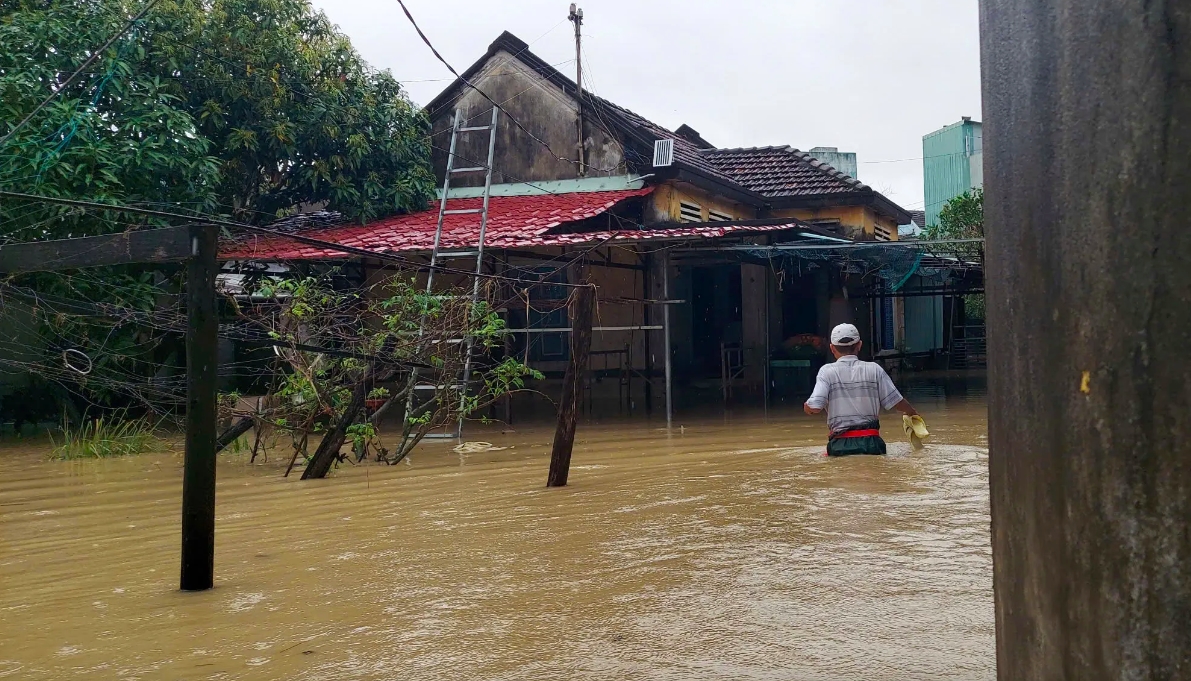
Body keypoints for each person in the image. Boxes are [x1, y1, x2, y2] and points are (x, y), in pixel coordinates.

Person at [803, 323, 919, 456]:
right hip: (872, 443)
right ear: (859, 345)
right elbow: (897, 402)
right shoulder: (874, 369)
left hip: (840, 445)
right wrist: (912, 413)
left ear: (832, 348)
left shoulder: (826, 371)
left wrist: (807, 407)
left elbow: (815, 406)